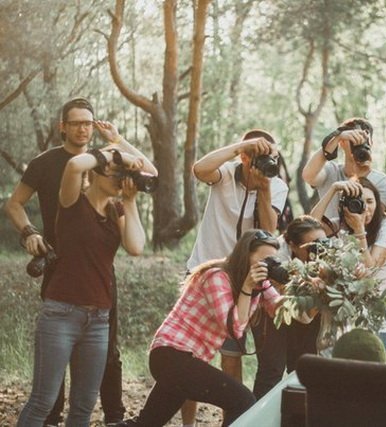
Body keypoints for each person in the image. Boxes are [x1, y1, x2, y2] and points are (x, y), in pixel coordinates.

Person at [4, 97, 156, 426]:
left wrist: (118, 147)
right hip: (62, 301)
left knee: (84, 406)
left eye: (88, 123)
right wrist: (29, 231)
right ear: (63, 126)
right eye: (76, 123)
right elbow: (21, 200)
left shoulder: (116, 208)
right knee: (44, 399)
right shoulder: (69, 196)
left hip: (97, 313)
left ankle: (114, 414)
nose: (84, 128)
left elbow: (136, 246)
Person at [117, 230, 288, 427]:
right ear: (245, 255)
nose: (269, 266)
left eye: (273, 261)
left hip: (184, 360)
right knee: (243, 400)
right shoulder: (217, 277)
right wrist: (247, 289)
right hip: (172, 355)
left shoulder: (259, 284)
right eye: (265, 260)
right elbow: (234, 327)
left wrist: (306, 289)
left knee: (146, 424)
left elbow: (280, 308)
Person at [181, 129, 288, 424]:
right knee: (191, 358)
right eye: (260, 157)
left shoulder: (276, 186)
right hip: (204, 272)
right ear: (244, 157)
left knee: (232, 356)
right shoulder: (225, 173)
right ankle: (187, 424)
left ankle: (231, 422)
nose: (268, 164)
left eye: (272, 158)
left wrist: (264, 188)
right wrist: (243, 145)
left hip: (242, 280)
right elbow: (199, 169)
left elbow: (269, 229)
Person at [310, 177, 386, 349]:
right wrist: (333, 189)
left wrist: (359, 230)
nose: (365, 208)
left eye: (370, 201)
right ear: (345, 205)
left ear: (378, 203)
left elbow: (370, 267)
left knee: (381, 371)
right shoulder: (339, 227)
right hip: (347, 313)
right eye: (359, 202)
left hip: (380, 312)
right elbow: (308, 227)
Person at [250, 215, 326, 400]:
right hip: (269, 309)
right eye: (312, 245)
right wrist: (310, 282)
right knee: (272, 368)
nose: (319, 249)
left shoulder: (327, 255)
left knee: (303, 366)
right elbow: (283, 280)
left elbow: (306, 314)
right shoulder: (274, 253)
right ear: (291, 244)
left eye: (323, 242)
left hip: (300, 309)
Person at [302, 117, 386, 219]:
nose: (358, 143)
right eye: (353, 139)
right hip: (328, 234)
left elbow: (376, 220)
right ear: (342, 143)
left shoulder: (380, 180)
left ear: (371, 144)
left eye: (364, 141)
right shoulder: (331, 171)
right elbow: (308, 176)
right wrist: (336, 138)